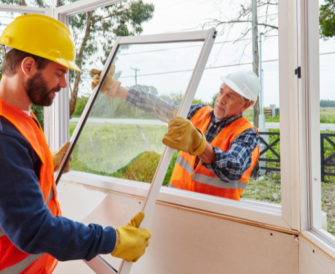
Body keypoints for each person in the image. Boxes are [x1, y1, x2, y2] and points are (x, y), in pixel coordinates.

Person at [0, 14, 151, 274]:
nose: (63, 84)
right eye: (59, 73)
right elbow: (35, 231)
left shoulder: (13, 111)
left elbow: (9, 180)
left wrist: (46, 163)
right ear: (28, 66)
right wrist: (113, 240)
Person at [91, 66, 260, 201]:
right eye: (221, 91)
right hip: (176, 202)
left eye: (230, 96)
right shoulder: (197, 112)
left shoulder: (247, 135)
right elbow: (158, 105)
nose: (221, 99)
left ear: (246, 105)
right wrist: (115, 89)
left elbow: (233, 168)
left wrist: (199, 146)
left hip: (213, 217)